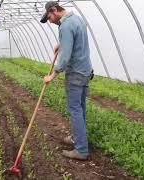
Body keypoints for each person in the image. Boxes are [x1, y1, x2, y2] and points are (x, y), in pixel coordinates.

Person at [40, 1, 93, 160]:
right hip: (85, 71)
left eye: (48, 16)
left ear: (54, 10)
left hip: (75, 73)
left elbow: (64, 59)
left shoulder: (65, 25)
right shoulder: (77, 19)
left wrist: (52, 75)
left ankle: (81, 150)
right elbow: (74, 42)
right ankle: (79, 138)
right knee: (80, 107)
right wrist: (61, 44)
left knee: (74, 109)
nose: (49, 20)